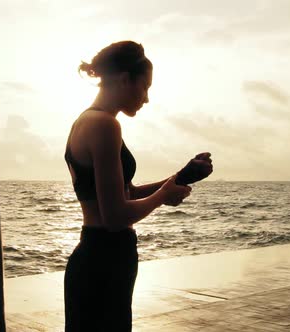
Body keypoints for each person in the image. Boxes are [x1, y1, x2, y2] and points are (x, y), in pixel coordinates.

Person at [63, 40, 213, 332]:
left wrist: (179, 177)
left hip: (96, 257)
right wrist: (162, 197)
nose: (146, 98)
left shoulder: (87, 121)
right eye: (144, 87)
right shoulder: (105, 125)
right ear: (124, 79)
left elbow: (125, 193)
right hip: (106, 260)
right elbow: (116, 217)